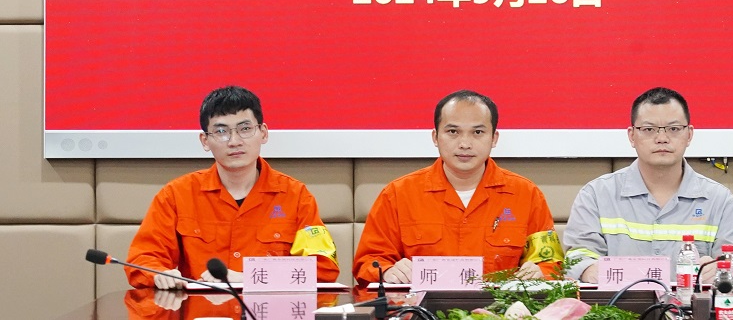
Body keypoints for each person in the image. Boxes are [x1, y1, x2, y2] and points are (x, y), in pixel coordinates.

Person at [126, 86, 339, 288]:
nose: (234, 141)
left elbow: (323, 268)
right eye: (221, 131)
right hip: (200, 309)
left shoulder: (296, 196)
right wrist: (160, 275)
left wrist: (249, 278)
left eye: (245, 129)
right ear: (205, 141)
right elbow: (143, 258)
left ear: (263, 133)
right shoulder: (176, 195)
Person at [353, 89, 563, 284]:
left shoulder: (526, 194)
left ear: (494, 138)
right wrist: (388, 271)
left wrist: (541, 272)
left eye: (477, 132)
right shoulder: (398, 194)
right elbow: (369, 262)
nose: (465, 143)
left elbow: (551, 263)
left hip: (502, 308)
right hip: (421, 307)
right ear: (435, 137)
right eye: (453, 131)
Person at [562, 87, 733, 283]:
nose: (662, 138)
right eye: (648, 129)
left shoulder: (719, 200)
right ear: (632, 136)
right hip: (618, 302)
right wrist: (589, 269)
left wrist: (723, 270)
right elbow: (577, 257)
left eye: (674, 129)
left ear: (689, 135)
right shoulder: (596, 195)